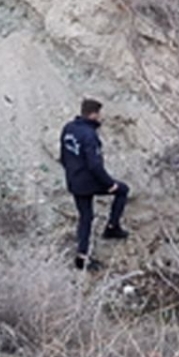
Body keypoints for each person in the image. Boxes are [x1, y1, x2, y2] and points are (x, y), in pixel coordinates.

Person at [59, 97, 130, 271]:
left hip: (74, 181)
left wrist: (73, 173)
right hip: (88, 181)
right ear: (93, 114)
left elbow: (63, 157)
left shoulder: (68, 129)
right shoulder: (89, 135)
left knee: (86, 217)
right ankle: (112, 227)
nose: (101, 118)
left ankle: (81, 257)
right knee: (122, 190)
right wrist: (108, 184)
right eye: (99, 114)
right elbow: (94, 165)